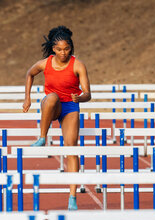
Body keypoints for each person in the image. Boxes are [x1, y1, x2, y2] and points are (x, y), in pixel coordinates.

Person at [22, 26, 91, 210]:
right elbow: (29, 73)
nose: (63, 53)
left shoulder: (78, 65)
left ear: (71, 48)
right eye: (59, 49)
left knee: (72, 148)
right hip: (51, 105)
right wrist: (27, 97)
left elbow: (88, 93)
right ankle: (42, 137)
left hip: (70, 106)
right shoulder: (45, 63)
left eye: (66, 49)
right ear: (53, 48)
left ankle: (72, 197)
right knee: (52, 97)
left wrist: (80, 97)